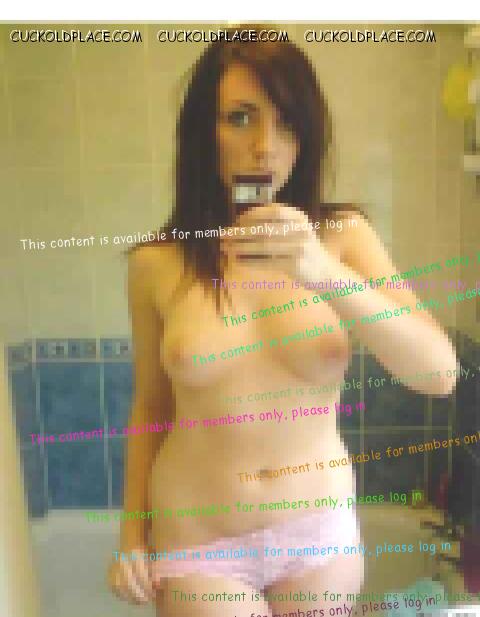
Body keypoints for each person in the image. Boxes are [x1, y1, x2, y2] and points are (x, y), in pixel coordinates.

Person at [108, 25, 458, 616]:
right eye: (240, 118)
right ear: (202, 132)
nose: (266, 146)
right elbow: (151, 408)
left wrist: (323, 272)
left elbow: (439, 374)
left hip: (318, 535)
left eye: (287, 121)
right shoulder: (157, 263)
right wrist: (131, 535)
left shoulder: (344, 238)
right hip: (199, 540)